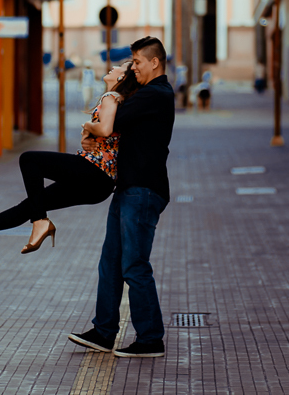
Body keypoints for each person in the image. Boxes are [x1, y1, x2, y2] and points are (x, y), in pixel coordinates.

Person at [0, 62, 139, 254]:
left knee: (29, 160)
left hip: (95, 173)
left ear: (122, 76)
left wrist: (86, 126)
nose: (113, 67)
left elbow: (105, 129)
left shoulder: (111, 97)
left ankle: (40, 222)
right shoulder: (118, 100)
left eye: (119, 67)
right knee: (32, 205)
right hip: (99, 182)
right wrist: (88, 137)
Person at [69, 36, 175, 358]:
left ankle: (150, 338)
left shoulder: (156, 94)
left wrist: (91, 126)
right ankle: (103, 332)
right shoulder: (146, 94)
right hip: (128, 188)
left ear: (154, 62)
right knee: (111, 263)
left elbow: (107, 122)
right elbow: (109, 126)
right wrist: (92, 133)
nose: (134, 68)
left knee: (134, 265)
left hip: (143, 191)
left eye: (138, 63)